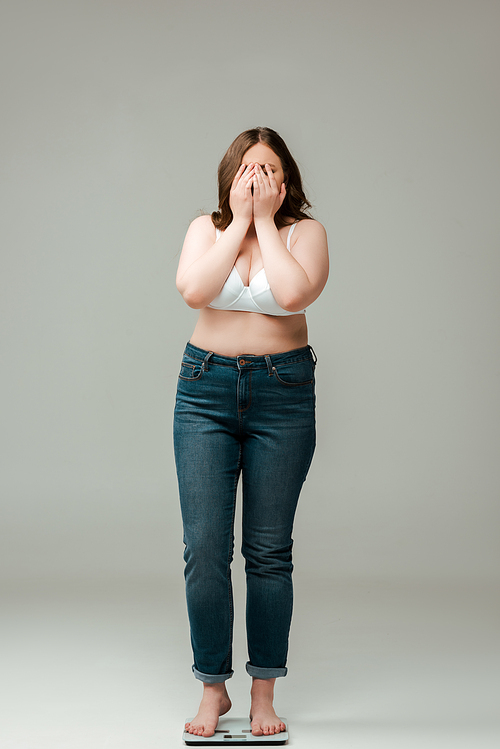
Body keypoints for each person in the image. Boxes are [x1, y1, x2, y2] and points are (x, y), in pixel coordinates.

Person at [174, 126, 329, 738]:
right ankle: (214, 689)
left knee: (268, 552)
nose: (256, 179)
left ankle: (263, 692)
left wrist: (265, 221)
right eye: (247, 170)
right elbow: (194, 291)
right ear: (229, 175)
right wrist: (239, 220)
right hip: (204, 391)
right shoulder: (204, 228)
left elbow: (292, 294)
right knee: (205, 550)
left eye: (267, 170)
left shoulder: (305, 233)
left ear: (285, 178)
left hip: (282, 396)